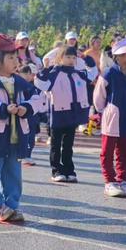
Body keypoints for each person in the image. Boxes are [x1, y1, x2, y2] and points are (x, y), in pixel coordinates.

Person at [0, 34, 43, 223]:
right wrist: (4, 109)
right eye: (11, 58)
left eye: (16, 57)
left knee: (13, 172)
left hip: (16, 135)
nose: (16, 61)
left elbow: (38, 98)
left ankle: (12, 205)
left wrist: (27, 108)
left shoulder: (22, 82)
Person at [94, 37, 126, 198]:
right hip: (113, 119)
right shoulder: (109, 74)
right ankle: (110, 182)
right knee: (107, 151)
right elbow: (98, 98)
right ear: (121, 55)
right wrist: (107, 111)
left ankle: (123, 180)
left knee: (124, 151)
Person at [35, 46, 91, 183]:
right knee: (55, 144)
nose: (71, 60)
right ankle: (56, 170)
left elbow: (93, 73)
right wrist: (47, 68)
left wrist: (86, 57)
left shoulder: (78, 73)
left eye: (73, 57)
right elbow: (40, 83)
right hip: (58, 113)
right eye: (68, 57)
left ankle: (69, 170)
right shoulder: (55, 72)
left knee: (68, 145)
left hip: (72, 113)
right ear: (60, 58)